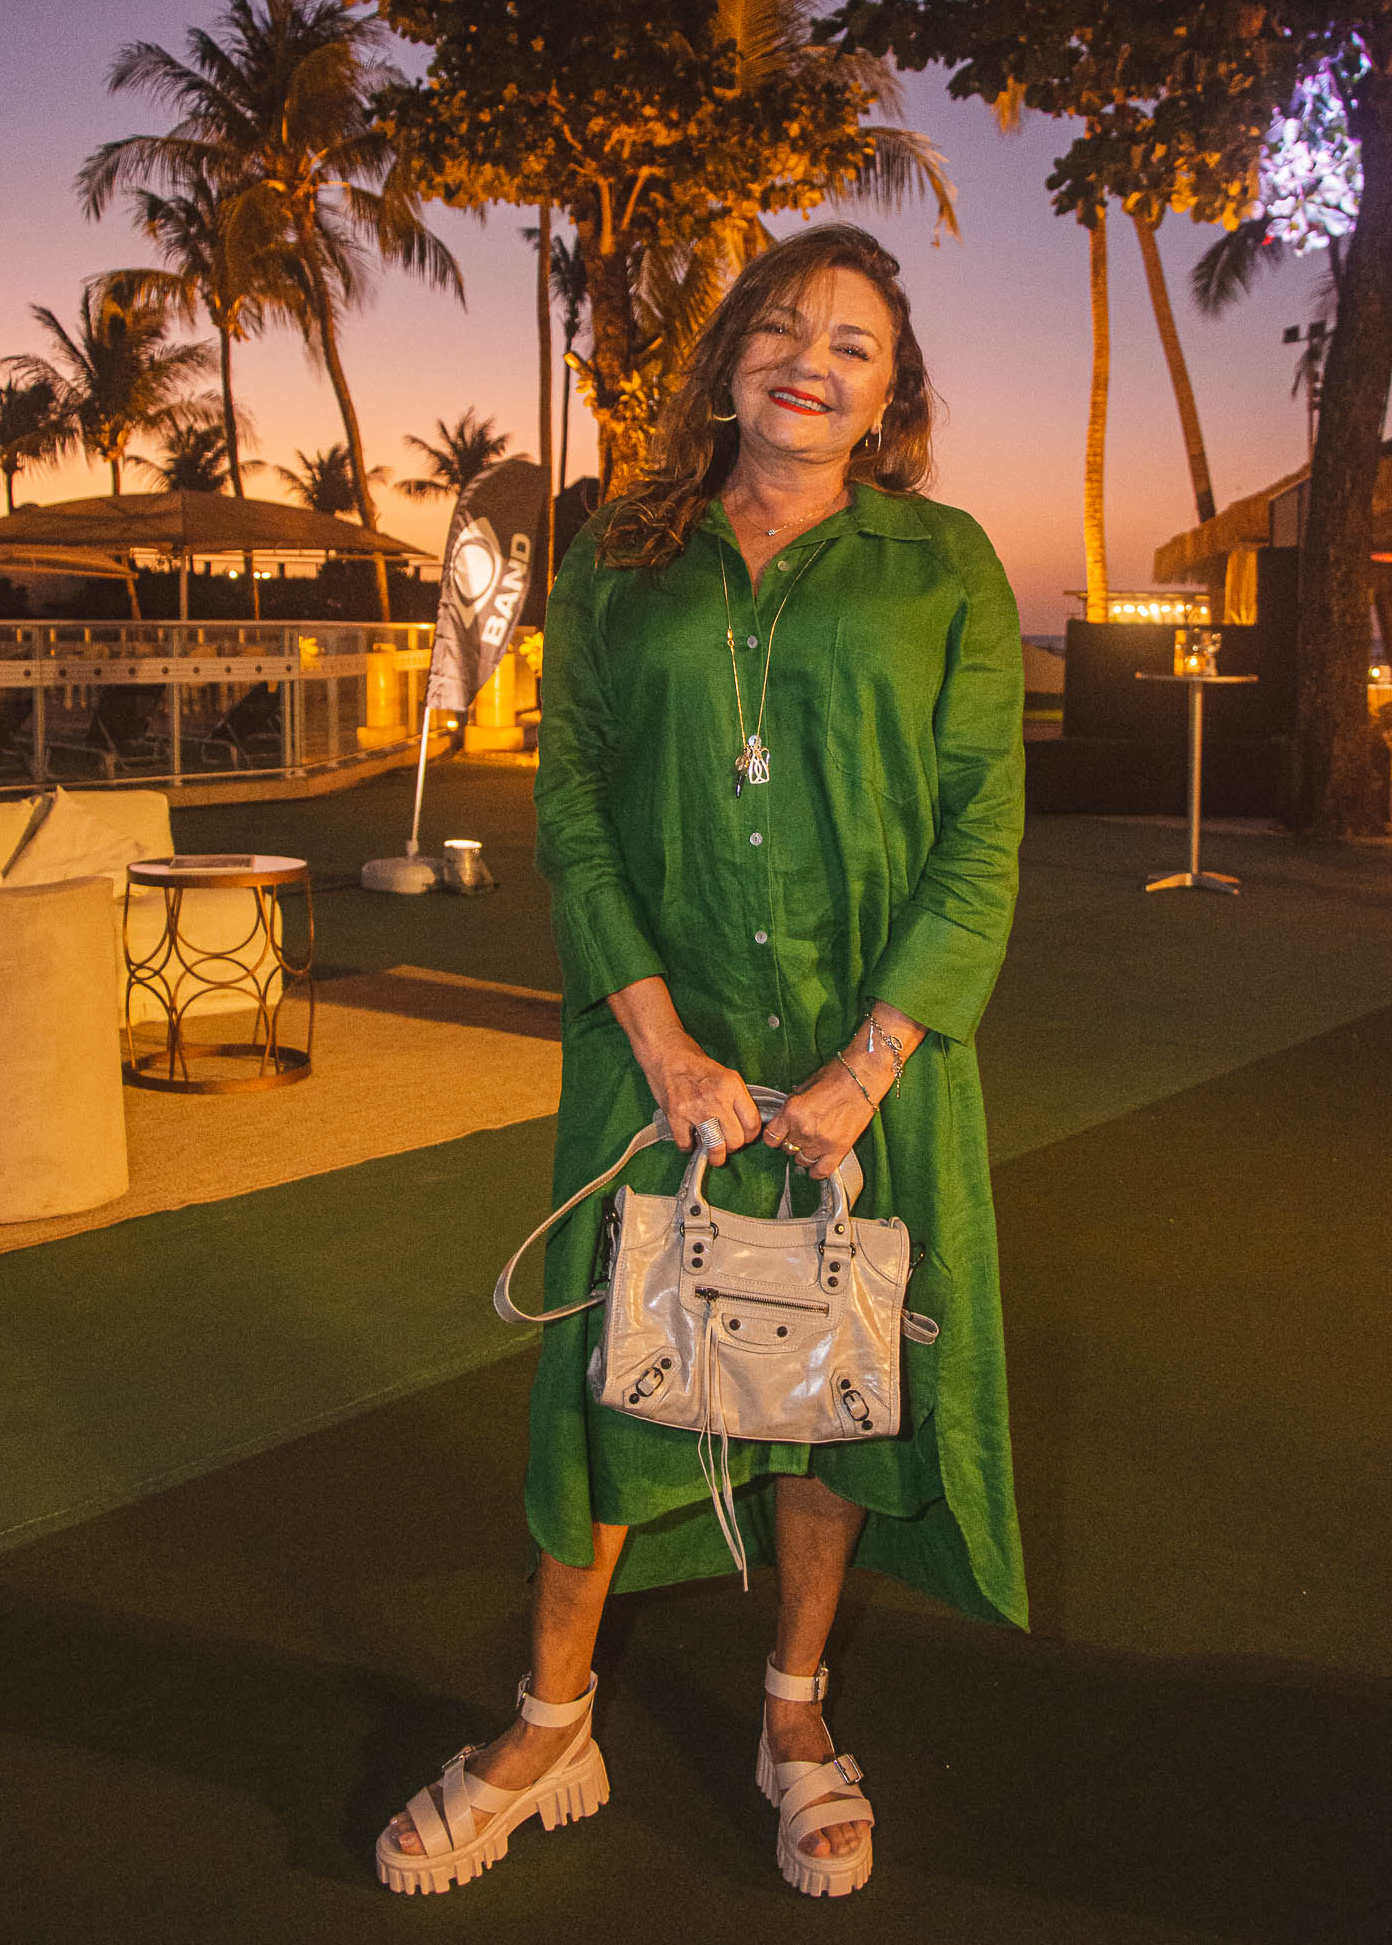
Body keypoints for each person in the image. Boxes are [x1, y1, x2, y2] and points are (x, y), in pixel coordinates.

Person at [378, 223, 1026, 1901]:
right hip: (652, 1044)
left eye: (855, 346)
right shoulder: (622, 553)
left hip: (867, 1055)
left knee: (833, 1383)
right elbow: (575, 808)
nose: (813, 361)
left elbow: (981, 835)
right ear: (731, 357)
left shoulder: (944, 564)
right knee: (604, 1379)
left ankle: (794, 1714)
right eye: (784, 327)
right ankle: (551, 1722)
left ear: (890, 397)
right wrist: (660, 1041)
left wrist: (868, 1067)